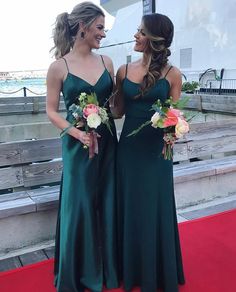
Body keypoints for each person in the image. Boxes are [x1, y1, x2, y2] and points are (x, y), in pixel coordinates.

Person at [46, 2, 119, 291]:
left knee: (107, 200)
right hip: (77, 146)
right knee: (80, 204)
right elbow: (51, 111)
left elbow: (113, 105)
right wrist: (77, 134)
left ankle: (108, 270)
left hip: (108, 141)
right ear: (82, 27)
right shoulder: (58, 67)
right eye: (99, 28)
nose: (103, 34)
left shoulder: (107, 63)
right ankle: (78, 273)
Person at [113, 13, 185, 292]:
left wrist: (174, 134)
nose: (135, 35)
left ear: (154, 40)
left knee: (155, 208)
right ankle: (130, 269)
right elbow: (118, 112)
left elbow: (174, 117)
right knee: (130, 207)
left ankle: (158, 271)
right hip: (128, 152)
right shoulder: (123, 70)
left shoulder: (173, 75)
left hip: (157, 153)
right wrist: (91, 112)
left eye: (140, 32)